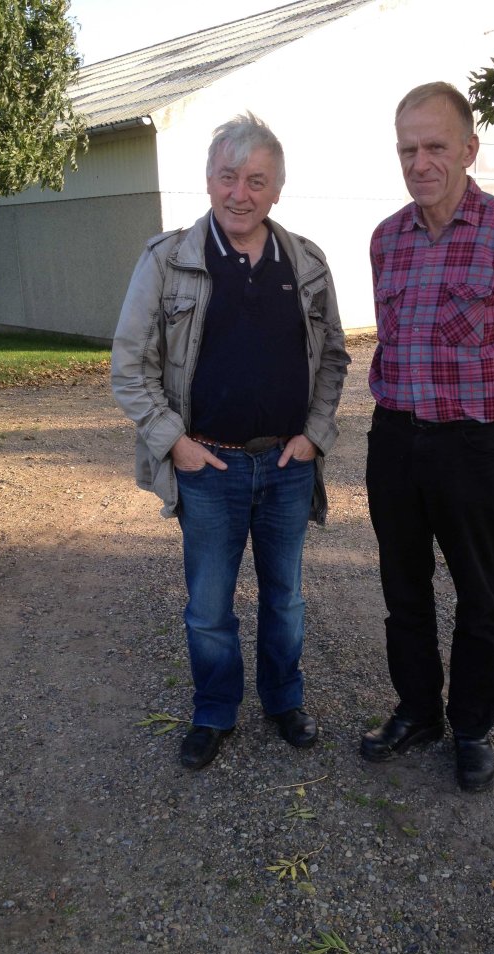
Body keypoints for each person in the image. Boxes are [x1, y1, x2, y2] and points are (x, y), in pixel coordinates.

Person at [112, 112, 349, 771]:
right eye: (227, 177)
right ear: (209, 179)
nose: (239, 194)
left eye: (256, 181)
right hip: (208, 467)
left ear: (277, 189)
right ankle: (214, 711)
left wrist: (315, 435)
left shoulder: (306, 263)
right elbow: (129, 367)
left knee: (285, 599)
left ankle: (283, 701)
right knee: (210, 607)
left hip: (287, 464)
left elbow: (333, 357)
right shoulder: (168, 261)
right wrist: (176, 444)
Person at [361, 82, 494, 791]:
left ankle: (471, 726)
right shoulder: (386, 239)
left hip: (470, 448)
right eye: (407, 149)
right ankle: (417, 711)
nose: (420, 162)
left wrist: (480, 407)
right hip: (393, 441)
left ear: (469, 149)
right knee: (403, 589)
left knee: (479, 593)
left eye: (435, 146)